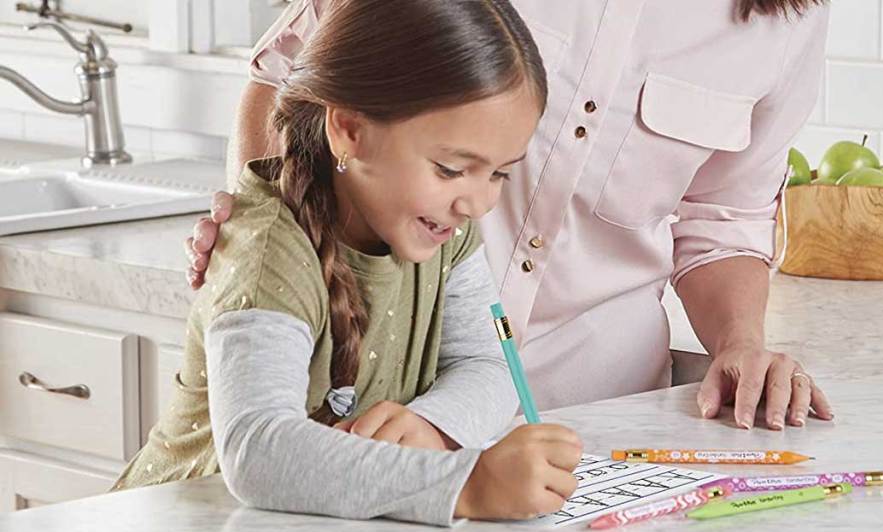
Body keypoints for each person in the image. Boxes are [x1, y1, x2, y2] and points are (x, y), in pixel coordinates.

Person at [192, 0, 835, 431]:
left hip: (599, 414)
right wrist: (272, 237)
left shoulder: (786, 21)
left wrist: (740, 343)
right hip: (371, 393)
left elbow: (723, 214)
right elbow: (291, 82)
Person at [115, 0, 583, 526]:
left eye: (498, 174)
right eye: (452, 169)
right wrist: (466, 486)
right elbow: (257, 451)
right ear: (350, 131)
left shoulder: (443, 231)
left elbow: (495, 362)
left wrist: (430, 426)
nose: (477, 203)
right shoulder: (271, 249)